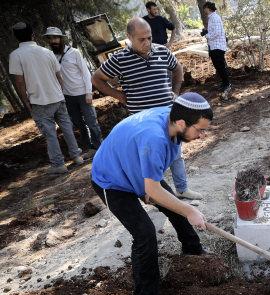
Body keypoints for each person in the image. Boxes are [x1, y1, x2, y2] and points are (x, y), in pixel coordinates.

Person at [90, 92, 212, 295]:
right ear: (182, 123)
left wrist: (179, 206)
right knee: (145, 233)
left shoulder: (172, 121)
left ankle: (192, 250)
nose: (202, 135)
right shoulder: (154, 137)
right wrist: (190, 211)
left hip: (135, 167)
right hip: (112, 178)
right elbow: (153, 191)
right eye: (200, 130)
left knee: (175, 205)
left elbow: (153, 188)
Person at [92, 17, 203, 200]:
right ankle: (151, 194)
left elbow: (178, 69)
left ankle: (182, 190)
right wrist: (119, 96)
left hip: (168, 116)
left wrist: (175, 92)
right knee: (147, 159)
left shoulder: (162, 52)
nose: (147, 43)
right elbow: (96, 79)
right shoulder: (119, 59)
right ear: (129, 37)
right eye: (141, 39)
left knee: (175, 153)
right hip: (142, 122)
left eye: (149, 38)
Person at [9, 22, 83, 175]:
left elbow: (19, 81)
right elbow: (58, 75)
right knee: (67, 128)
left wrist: (25, 101)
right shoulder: (46, 52)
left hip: (39, 101)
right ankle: (76, 156)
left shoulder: (15, 55)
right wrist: (61, 91)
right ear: (33, 35)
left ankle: (59, 164)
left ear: (16, 37)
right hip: (57, 97)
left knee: (50, 134)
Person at [44, 27, 103, 159]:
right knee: (78, 124)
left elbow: (85, 73)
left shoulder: (74, 52)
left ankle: (99, 146)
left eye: (56, 37)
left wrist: (89, 92)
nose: (54, 41)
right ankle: (89, 148)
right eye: (51, 38)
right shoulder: (51, 56)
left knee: (91, 121)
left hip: (82, 93)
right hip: (67, 97)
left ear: (61, 38)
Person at [202, 2, 232, 97]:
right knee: (218, 66)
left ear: (208, 8)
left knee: (220, 66)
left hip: (218, 46)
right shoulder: (212, 18)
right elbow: (214, 31)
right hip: (214, 46)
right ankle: (224, 83)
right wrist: (206, 32)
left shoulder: (214, 18)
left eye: (205, 8)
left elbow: (217, 33)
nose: (204, 10)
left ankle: (227, 84)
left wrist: (206, 35)